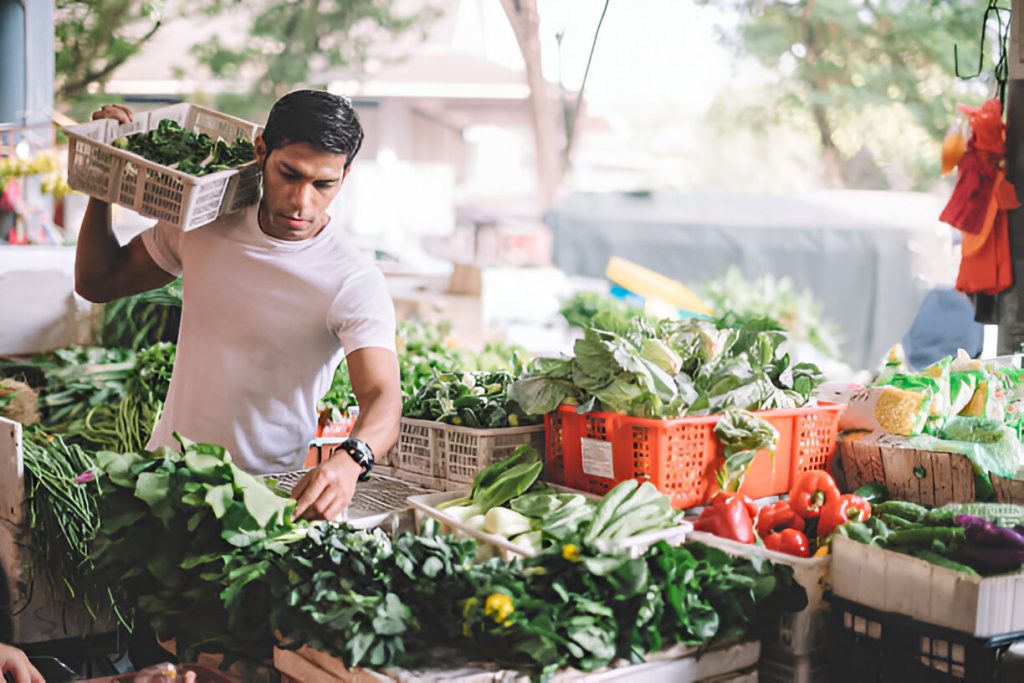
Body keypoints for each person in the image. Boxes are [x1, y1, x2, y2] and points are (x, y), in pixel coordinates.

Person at [75, 90, 401, 521]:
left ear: (346, 174)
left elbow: (383, 397)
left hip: (263, 500)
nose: (302, 201)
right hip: (165, 478)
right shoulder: (203, 221)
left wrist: (350, 459)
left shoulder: (353, 279)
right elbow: (97, 281)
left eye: (324, 184)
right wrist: (105, 180)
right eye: (290, 174)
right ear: (262, 149)